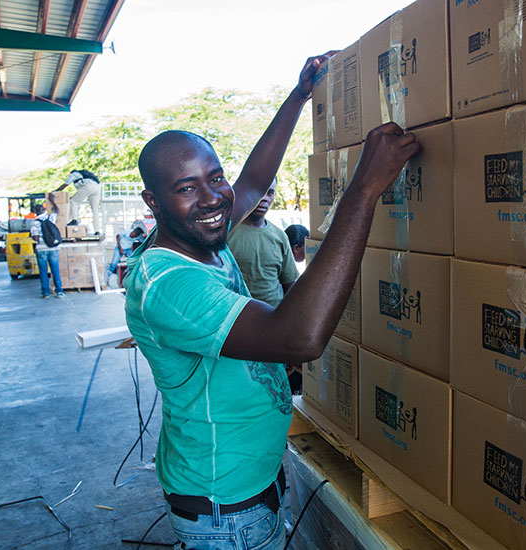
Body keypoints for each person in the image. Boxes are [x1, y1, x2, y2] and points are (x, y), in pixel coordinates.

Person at [123, 51, 418, 550]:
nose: (213, 198)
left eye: (214, 177)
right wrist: (365, 188)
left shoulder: (200, 237)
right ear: (153, 203)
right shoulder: (169, 284)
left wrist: (299, 95)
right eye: (186, 188)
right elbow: (298, 338)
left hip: (246, 489)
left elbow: (253, 181)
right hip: (224, 509)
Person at [226, 178, 299, 308]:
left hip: (274, 318)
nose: (264, 198)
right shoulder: (226, 233)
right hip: (236, 319)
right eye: (259, 191)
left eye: (270, 192)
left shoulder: (280, 236)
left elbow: (289, 285)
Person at [29, 198, 64, 298]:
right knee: (55, 269)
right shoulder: (50, 217)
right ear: (44, 210)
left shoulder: (35, 222)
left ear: (35, 212)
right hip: (53, 248)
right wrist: (52, 200)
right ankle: (59, 290)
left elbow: (35, 238)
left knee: (43, 271)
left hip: (41, 249)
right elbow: (57, 211)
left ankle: (45, 292)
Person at [55, 169, 102, 235]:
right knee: (95, 210)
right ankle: (97, 230)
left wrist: (54, 191)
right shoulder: (86, 176)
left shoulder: (73, 174)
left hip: (89, 187)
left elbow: (65, 184)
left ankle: (74, 220)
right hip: (97, 188)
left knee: (73, 201)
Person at [105, 221, 147, 288]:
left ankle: (132, 278)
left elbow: (144, 241)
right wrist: (120, 248)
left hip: (128, 249)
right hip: (119, 247)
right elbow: (117, 236)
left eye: (134, 237)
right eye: (132, 235)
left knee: (133, 261)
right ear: (133, 231)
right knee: (113, 264)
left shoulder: (138, 236)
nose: (132, 237)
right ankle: (105, 281)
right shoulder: (126, 231)